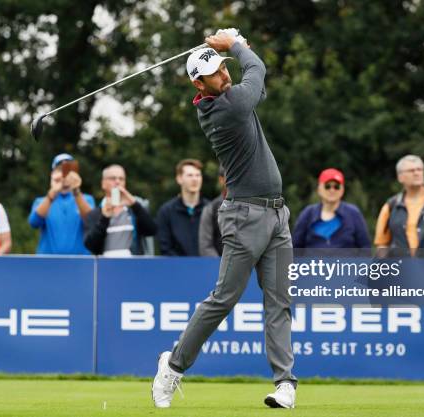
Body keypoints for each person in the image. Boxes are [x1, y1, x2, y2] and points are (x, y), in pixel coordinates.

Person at [152, 30, 297, 409]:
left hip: (277, 214)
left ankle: (285, 384)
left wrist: (237, 47)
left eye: (224, 69)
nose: (224, 75)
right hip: (244, 216)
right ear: (200, 83)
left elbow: (255, 78)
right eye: (216, 73)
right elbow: (258, 70)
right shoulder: (224, 109)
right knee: (223, 299)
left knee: (279, 301)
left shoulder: (233, 97)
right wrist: (233, 42)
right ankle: (173, 366)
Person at [84, 164, 156, 256]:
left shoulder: (133, 210)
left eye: (121, 179)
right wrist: (105, 218)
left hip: (132, 266)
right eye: (113, 178)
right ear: (103, 183)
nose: (117, 182)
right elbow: (91, 246)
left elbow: (152, 230)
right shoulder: (94, 214)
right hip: (105, 267)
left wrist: (134, 205)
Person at [28, 153, 94, 255]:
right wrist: (53, 192)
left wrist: (75, 189)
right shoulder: (41, 201)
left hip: (80, 263)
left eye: (68, 170)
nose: (64, 174)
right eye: (60, 170)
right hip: (48, 263)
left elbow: (91, 221)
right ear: (53, 174)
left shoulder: (86, 199)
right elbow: (34, 222)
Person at [292, 168, 370, 249]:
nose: (332, 190)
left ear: (342, 190)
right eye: (327, 186)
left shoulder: (353, 213)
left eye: (336, 186)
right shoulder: (308, 213)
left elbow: (365, 248)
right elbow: (295, 248)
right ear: (319, 189)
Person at [156, 159, 208, 256]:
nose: (195, 179)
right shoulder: (166, 211)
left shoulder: (211, 210)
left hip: (207, 268)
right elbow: (165, 248)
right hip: (176, 268)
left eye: (198, 175)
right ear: (179, 179)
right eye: (190, 175)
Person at [198, 165, 226, 256]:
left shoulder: (255, 206)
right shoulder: (211, 208)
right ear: (221, 180)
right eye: (232, 176)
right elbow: (205, 246)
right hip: (218, 266)